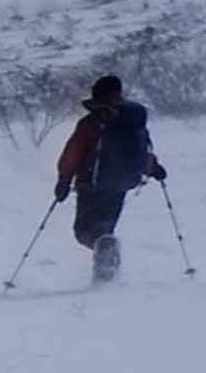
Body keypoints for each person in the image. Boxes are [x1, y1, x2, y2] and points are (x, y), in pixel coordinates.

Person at [53, 73, 167, 283]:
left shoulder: (93, 122)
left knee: (84, 230)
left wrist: (63, 179)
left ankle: (105, 252)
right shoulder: (133, 120)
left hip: (91, 184)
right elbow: (140, 151)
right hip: (121, 184)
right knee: (105, 225)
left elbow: (74, 152)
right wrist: (153, 167)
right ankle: (106, 274)